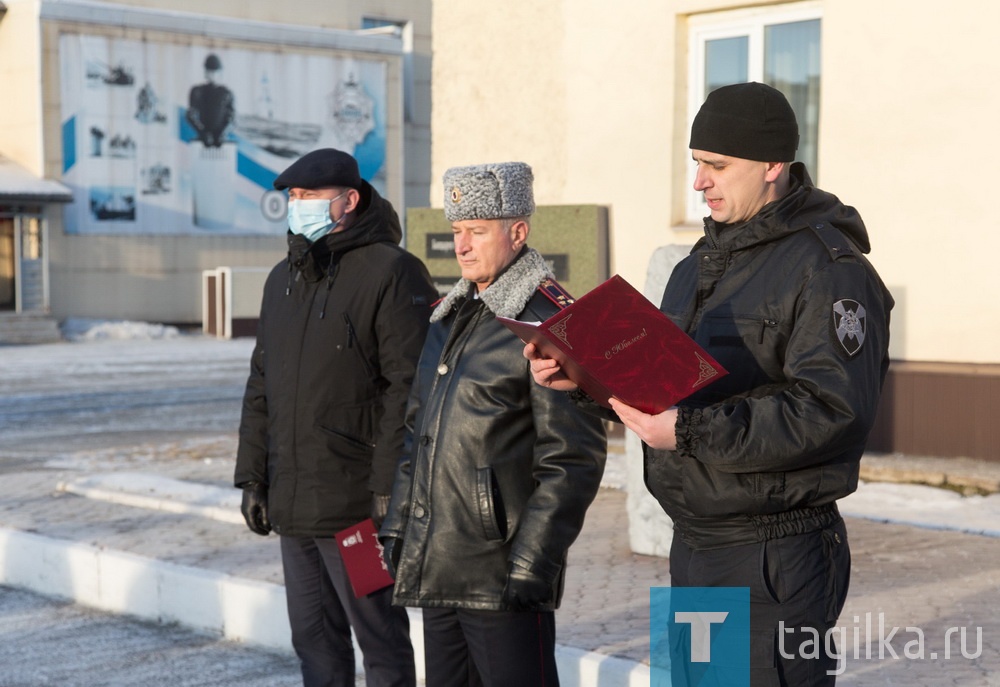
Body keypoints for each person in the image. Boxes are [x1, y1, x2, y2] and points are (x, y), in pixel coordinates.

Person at [527, 82, 893, 685]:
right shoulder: (698, 262)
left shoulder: (829, 270)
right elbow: (668, 391)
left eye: (717, 166)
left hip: (774, 554)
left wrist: (690, 431)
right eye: (697, 164)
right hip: (697, 545)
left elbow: (831, 411)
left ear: (773, 165)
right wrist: (585, 381)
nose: (700, 182)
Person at [379, 162, 607, 687]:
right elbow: (418, 433)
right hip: (438, 565)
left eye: (477, 231)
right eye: (458, 231)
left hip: (501, 574)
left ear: (517, 232)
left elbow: (571, 461)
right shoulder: (450, 317)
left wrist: (533, 561)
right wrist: (397, 526)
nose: (462, 245)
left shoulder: (550, 321)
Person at [234, 148, 437, 687]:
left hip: (357, 510)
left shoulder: (391, 271)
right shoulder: (283, 279)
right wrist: (253, 477)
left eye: (309, 197)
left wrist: (390, 484)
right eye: (292, 198)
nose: (297, 206)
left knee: (380, 638)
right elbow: (262, 385)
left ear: (348, 201)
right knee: (313, 640)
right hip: (295, 507)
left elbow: (409, 386)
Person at [186, 54, 235, 148]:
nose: (212, 75)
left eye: (214, 72)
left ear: (220, 73)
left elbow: (232, 117)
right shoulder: (197, 91)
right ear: (205, 72)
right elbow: (190, 115)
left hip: (221, 142)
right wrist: (202, 133)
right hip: (201, 141)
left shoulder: (226, 93)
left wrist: (222, 133)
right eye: (209, 71)